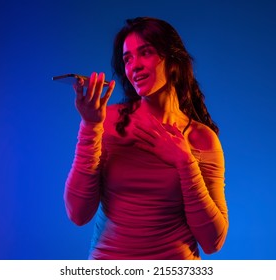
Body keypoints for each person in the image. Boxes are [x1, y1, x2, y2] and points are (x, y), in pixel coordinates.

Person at [64, 17, 228, 260]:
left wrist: (185, 163)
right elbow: (78, 214)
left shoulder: (200, 139)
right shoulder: (106, 120)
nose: (135, 65)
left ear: (173, 59)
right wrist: (90, 126)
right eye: (127, 59)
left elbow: (213, 241)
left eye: (146, 52)